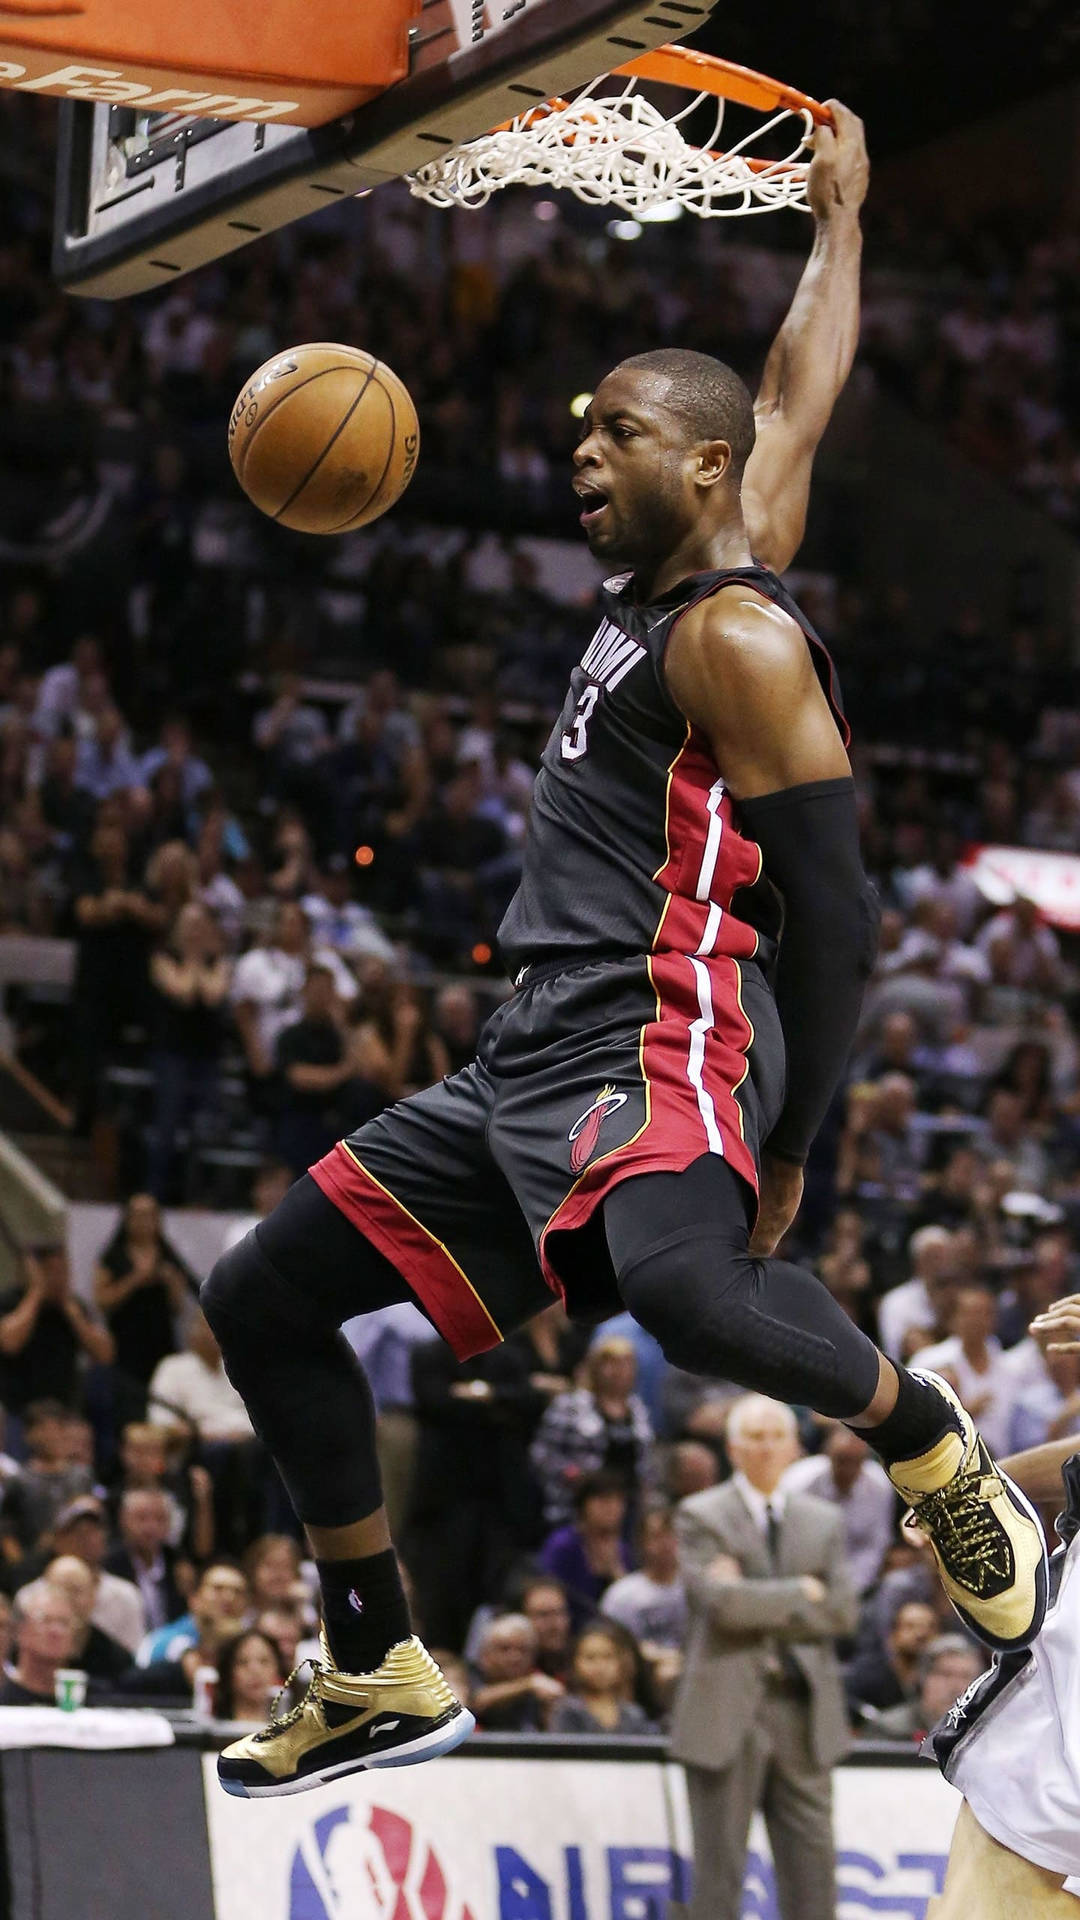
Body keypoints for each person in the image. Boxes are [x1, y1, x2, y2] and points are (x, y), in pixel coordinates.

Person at [200, 108, 1047, 1801]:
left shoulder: (739, 636)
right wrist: (841, 227)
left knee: (673, 1284)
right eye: (585, 432)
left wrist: (794, 1147)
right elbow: (795, 395)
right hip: (533, 1050)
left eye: (626, 433)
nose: (586, 453)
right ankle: (374, 1655)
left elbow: (845, 907)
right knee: (263, 1295)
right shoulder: (703, 559)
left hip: (666, 1026)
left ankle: (928, 1437)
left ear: (702, 466)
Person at [668, 1395, 857, 1920]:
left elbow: (842, 1613)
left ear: (795, 1445)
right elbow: (721, 1606)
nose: (766, 1446)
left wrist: (754, 1595)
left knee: (814, 1877)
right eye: (753, 1436)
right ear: (731, 1448)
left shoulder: (824, 1520)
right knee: (719, 1878)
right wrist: (802, 1591)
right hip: (726, 1712)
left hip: (803, 1712)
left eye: (776, 1435)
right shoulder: (699, 1514)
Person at [549, 1621, 655, 1734]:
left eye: (608, 1657)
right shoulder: (567, 1710)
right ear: (575, 1662)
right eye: (590, 1658)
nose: (600, 1666)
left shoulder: (633, 1714)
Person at [0, 1579, 80, 1705]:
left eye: (64, 1623)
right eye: (45, 1620)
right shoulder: (4, 1700)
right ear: (19, 1630)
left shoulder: (94, 1701)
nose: (56, 1631)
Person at [213, 1628, 286, 1724]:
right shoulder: (211, 1728)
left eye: (264, 1661)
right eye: (243, 1662)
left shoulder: (293, 1728)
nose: (255, 1671)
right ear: (228, 1672)